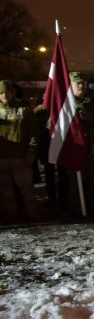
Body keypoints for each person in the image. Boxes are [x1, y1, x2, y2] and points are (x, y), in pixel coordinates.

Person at [67, 72, 94, 214]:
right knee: (74, 182)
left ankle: (92, 207)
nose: (81, 85)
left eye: (83, 83)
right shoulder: (65, 105)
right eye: (77, 83)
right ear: (70, 85)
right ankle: (76, 208)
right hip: (75, 151)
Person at [0, 80, 38, 220]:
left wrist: (31, 152)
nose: (4, 95)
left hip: (20, 157)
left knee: (26, 188)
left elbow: (33, 134)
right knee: (5, 190)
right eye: (1, 92)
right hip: (2, 158)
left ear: (13, 93)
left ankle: (33, 213)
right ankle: (11, 213)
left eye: (7, 92)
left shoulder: (24, 110)